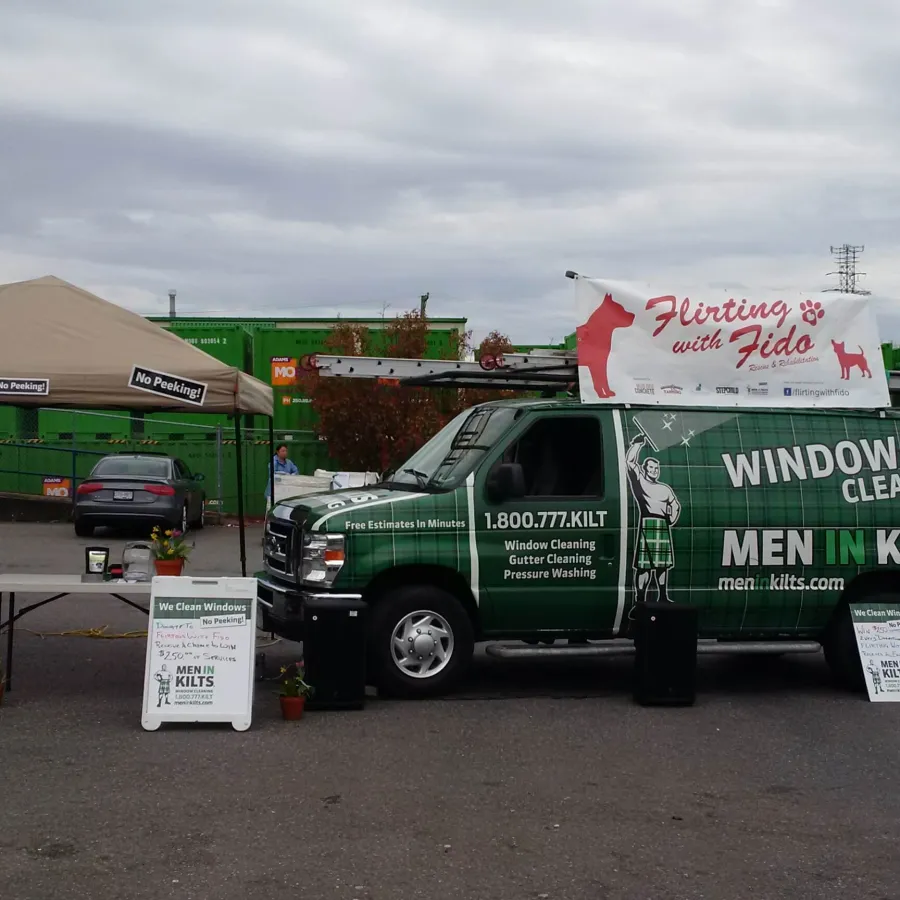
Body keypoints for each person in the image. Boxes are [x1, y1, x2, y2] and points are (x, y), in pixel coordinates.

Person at [625, 432, 681, 618]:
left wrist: (671, 519)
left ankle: (663, 597)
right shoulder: (639, 480)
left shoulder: (665, 488)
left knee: (663, 566)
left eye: (657, 468)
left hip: (662, 524)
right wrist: (637, 444)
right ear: (645, 468)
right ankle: (639, 602)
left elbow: (675, 505)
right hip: (648, 521)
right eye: (651, 467)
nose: (655, 470)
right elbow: (630, 462)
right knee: (644, 567)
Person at [265, 444, 299, 513]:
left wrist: (292, 475)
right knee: (272, 510)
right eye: (283, 451)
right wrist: (284, 475)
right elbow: (273, 475)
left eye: (286, 451)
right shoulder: (273, 462)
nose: (285, 453)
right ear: (277, 452)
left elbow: (296, 471)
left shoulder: (289, 462)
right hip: (274, 491)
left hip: (285, 491)